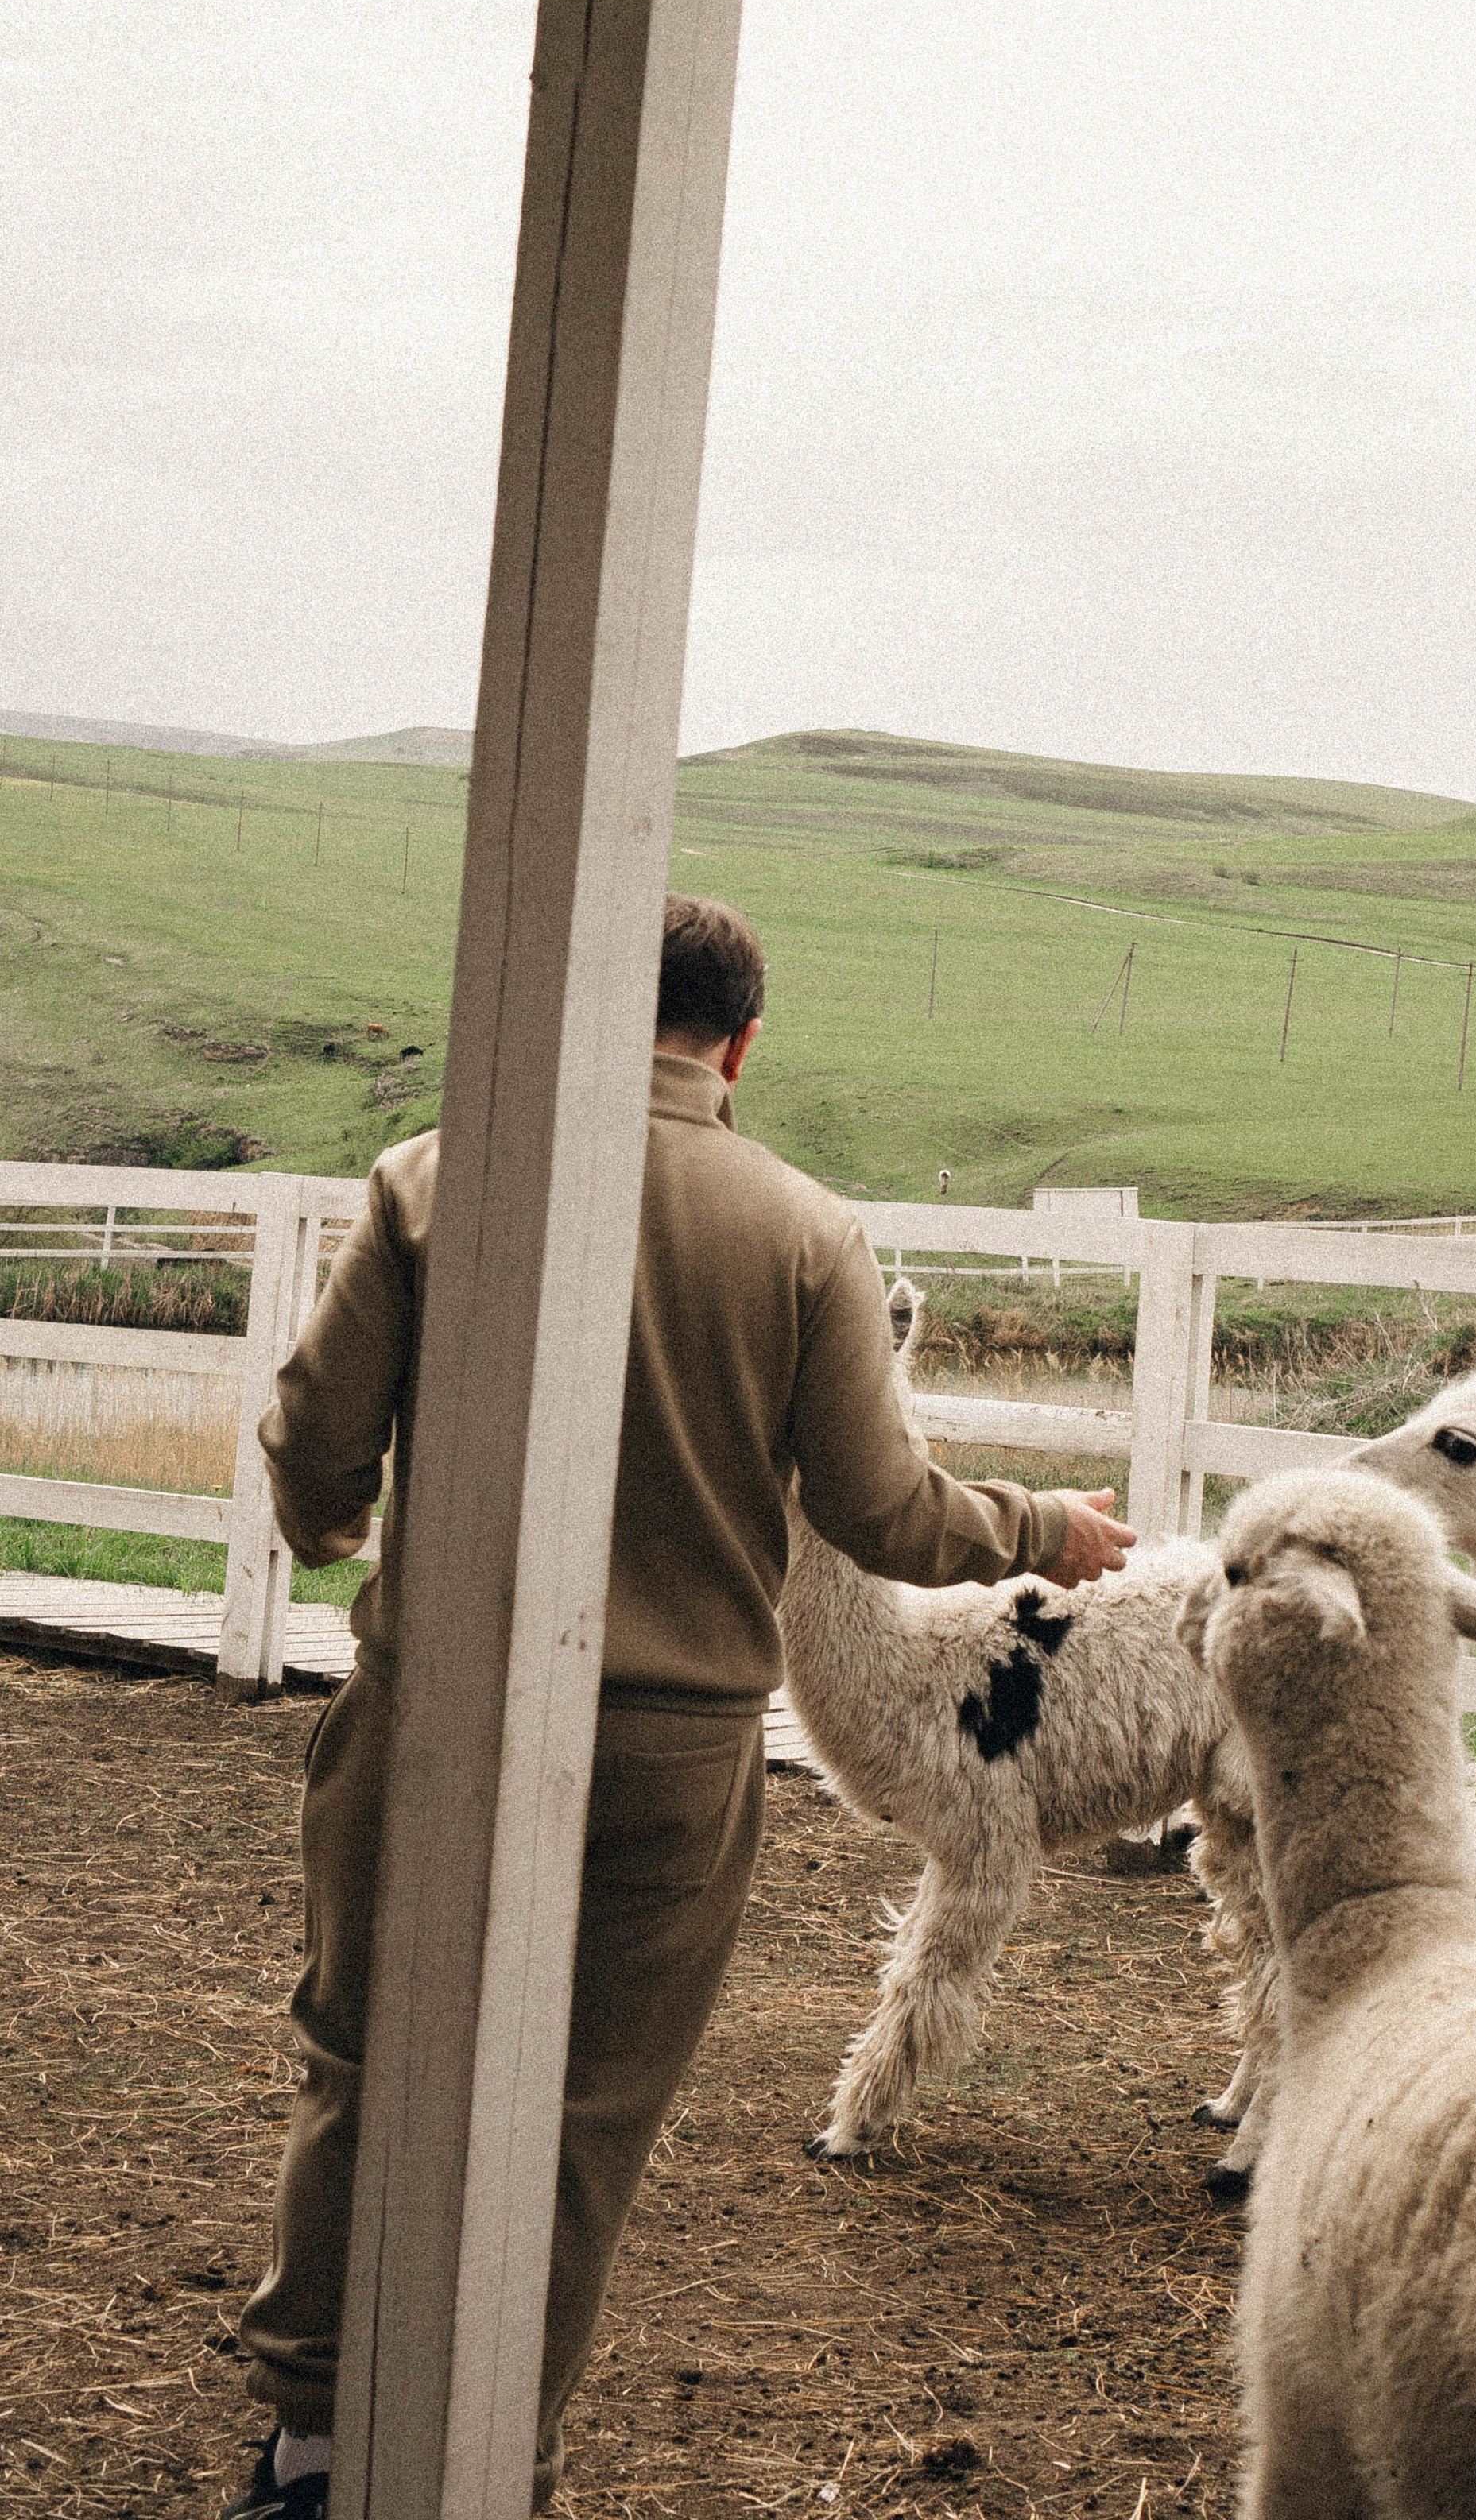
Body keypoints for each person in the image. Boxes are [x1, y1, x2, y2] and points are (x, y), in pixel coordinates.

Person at [226, 895, 1133, 2518]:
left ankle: (308, 2448)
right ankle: (495, 2461)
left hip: (431, 1711)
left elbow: (313, 1433)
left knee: (360, 2058)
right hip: (669, 1755)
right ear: (743, 1044)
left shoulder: (433, 1177)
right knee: (582, 2114)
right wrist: (1039, 1527)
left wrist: (328, 1533)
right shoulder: (802, 1232)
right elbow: (880, 1513)